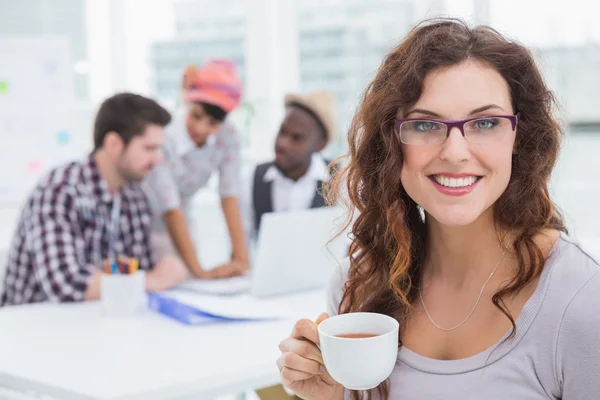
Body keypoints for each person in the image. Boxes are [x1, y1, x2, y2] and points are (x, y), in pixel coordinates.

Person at [276, 18, 600, 399]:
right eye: (425, 125)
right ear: (391, 143)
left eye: (485, 122)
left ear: (518, 136)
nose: (455, 152)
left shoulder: (581, 302)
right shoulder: (358, 287)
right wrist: (332, 396)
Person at [1, 93, 188, 306]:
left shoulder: (135, 195)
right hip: (34, 326)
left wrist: (159, 272)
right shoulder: (60, 190)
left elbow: (136, 270)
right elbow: (65, 284)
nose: (158, 159)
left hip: (97, 323)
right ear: (114, 143)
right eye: (149, 148)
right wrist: (152, 280)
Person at [144, 59, 249, 279]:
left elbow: (229, 195)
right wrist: (200, 272)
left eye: (212, 123)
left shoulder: (228, 135)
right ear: (188, 104)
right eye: (196, 116)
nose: (201, 128)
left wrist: (241, 259)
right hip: (144, 223)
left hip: (183, 223)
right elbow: (170, 207)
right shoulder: (165, 136)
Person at [241, 90, 338, 242]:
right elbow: (241, 246)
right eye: (282, 132)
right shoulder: (252, 179)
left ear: (321, 144)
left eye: (296, 138)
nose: (282, 143)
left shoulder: (340, 180)